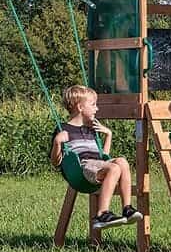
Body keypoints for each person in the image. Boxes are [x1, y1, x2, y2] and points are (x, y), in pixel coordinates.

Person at [50, 85, 142, 230]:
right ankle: (101, 214)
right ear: (80, 107)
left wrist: (108, 135)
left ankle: (127, 209)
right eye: (93, 104)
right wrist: (57, 142)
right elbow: (56, 162)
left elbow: (102, 157)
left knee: (122, 162)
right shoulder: (63, 129)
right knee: (113, 168)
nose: (97, 108)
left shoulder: (91, 129)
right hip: (82, 168)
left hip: (97, 165)